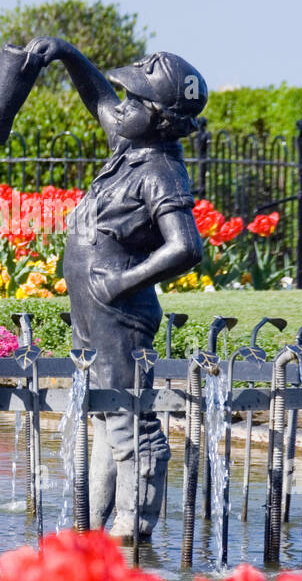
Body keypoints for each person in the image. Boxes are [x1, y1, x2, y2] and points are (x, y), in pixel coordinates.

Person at [22, 39, 207, 541]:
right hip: (93, 314)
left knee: (128, 420)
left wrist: (119, 283)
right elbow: (99, 98)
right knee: (104, 414)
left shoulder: (160, 170)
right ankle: (93, 525)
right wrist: (65, 54)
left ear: (160, 117)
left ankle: (133, 526)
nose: (119, 106)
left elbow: (186, 248)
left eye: (134, 99)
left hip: (119, 315)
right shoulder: (130, 149)